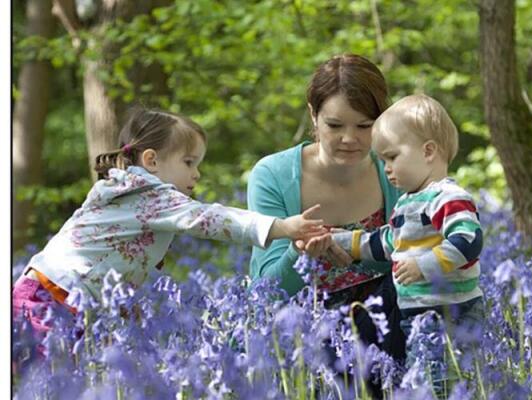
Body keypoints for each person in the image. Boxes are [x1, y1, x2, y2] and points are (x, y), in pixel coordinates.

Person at [12, 107, 327, 339]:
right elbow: (210, 218)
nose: (197, 174)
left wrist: (125, 307)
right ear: (151, 161)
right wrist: (283, 227)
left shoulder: (129, 191)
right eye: (189, 162)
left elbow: (116, 263)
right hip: (52, 299)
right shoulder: (149, 194)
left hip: (55, 294)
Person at [247, 54, 406, 362]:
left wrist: (356, 256)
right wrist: (301, 254)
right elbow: (268, 291)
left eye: (364, 126)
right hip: (300, 331)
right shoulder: (273, 176)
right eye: (335, 125)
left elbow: (413, 257)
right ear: (313, 115)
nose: (350, 139)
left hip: (383, 327)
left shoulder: (396, 171)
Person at [329, 94, 484, 396]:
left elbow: (468, 241)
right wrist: (342, 240)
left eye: (392, 157)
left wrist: (423, 265)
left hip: (452, 313)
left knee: (444, 385)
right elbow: (387, 242)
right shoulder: (408, 203)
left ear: (428, 152)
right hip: (417, 315)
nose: (386, 168)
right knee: (425, 381)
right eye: (382, 160)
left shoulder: (448, 197)